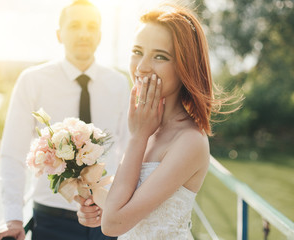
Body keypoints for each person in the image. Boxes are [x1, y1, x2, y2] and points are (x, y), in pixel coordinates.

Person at [0, 0, 130, 239]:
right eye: (74, 25)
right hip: (52, 221)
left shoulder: (119, 83)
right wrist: (13, 217)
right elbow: (13, 153)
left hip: (108, 219)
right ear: (59, 34)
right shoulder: (33, 81)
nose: (84, 33)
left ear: (100, 35)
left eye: (91, 26)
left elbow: (127, 150)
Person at [99, 4, 238, 239]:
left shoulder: (189, 140)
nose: (142, 67)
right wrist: (95, 204)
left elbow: (113, 224)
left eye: (160, 56)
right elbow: (123, 201)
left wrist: (138, 137)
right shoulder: (144, 124)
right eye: (137, 51)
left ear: (185, 65)